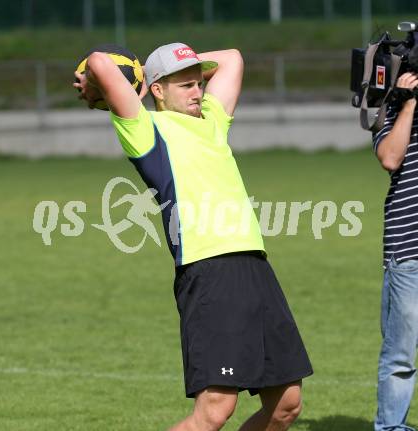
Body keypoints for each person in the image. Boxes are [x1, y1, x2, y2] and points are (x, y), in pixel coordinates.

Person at [74, 42, 313, 431]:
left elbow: (234, 57)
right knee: (215, 411)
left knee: (287, 404)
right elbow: (100, 63)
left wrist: (179, 63)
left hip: (255, 267)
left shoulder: (212, 122)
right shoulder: (146, 130)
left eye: (199, 83)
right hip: (209, 271)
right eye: (185, 85)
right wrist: (112, 79)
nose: (198, 91)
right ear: (156, 90)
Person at [373, 71, 418, 431]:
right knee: (400, 355)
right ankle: (390, 428)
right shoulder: (393, 108)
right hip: (409, 250)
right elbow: (390, 157)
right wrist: (408, 103)